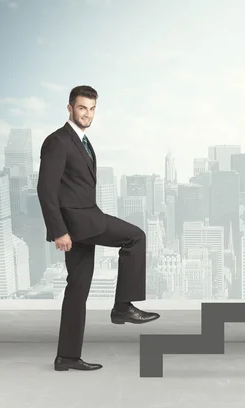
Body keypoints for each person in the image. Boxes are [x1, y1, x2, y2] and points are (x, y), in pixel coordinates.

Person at [37, 85, 160, 372]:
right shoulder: (58, 141)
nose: (87, 114)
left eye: (92, 109)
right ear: (70, 108)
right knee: (135, 237)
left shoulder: (82, 141)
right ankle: (123, 307)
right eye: (82, 108)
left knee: (77, 290)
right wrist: (58, 231)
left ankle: (66, 356)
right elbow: (45, 189)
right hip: (81, 223)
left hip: (83, 221)